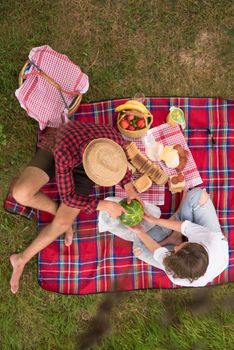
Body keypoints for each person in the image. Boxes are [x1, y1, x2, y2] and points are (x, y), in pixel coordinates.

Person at [10, 121, 142, 294]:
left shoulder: (113, 142)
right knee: (21, 193)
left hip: (85, 165)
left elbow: (120, 165)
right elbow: (69, 197)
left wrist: (130, 188)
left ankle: (21, 258)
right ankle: (58, 212)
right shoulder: (65, 153)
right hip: (56, 149)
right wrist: (105, 206)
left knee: (63, 223)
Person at [126, 188, 229, 287]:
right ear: (199, 244)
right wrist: (154, 220)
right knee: (197, 195)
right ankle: (176, 231)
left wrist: (139, 231)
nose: (174, 248)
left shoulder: (174, 272)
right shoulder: (210, 239)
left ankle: (176, 226)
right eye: (181, 245)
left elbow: (158, 251)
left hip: (182, 258)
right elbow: (184, 226)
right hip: (210, 237)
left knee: (138, 249)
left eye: (174, 251)